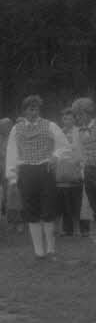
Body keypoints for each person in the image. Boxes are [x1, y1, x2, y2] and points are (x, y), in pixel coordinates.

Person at [5, 95, 70, 260]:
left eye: (36, 109)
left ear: (39, 110)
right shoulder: (16, 129)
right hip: (26, 171)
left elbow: (65, 146)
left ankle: (51, 249)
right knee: (31, 210)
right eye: (29, 109)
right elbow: (12, 152)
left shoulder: (50, 125)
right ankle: (39, 251)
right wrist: (12, 176)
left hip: (45, 169)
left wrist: (55, 156)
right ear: (24, 110)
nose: (33, 112)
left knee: (48, 209)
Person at [54, 108, 84, 237]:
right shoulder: (58, 133)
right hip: (61, 171)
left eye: (70, 118)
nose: (67, 121)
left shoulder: (80, 132)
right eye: (65, 118)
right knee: (60, 202)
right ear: (62, 119)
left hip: (76, 169)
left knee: (76, 201)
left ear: (74, 119)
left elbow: (81, 150)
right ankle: (59, 229)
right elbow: (55, 151)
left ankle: (77, 229)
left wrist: (79, 163)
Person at [71, 98, 96, 238]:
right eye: (76, 115)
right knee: (93, 205)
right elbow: (79, 153)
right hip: (89, 171)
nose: (77, 118)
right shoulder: (78, 131)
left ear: (88, 113)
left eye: (79, 115)